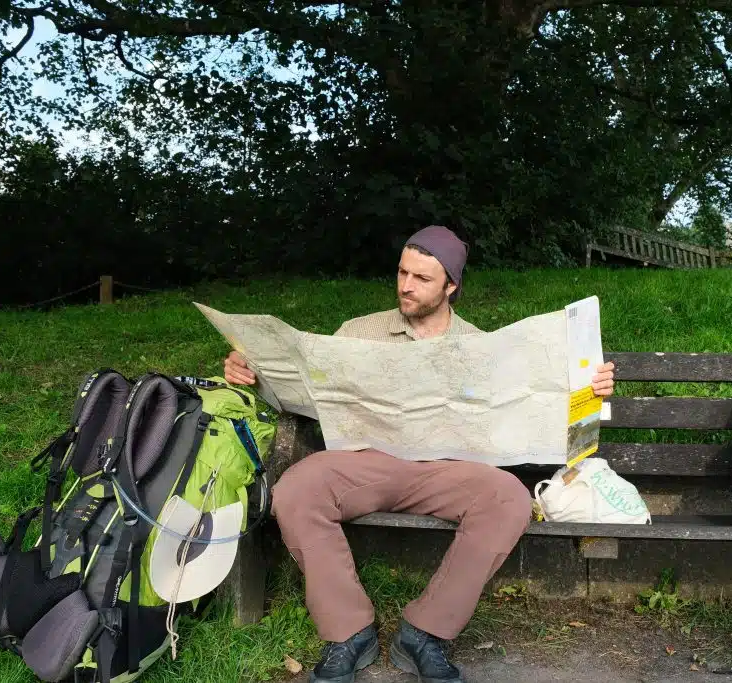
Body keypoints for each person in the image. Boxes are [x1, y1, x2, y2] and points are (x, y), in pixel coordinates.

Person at [223, 225, 616, 683]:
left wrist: (587, 390)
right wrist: (252, 375)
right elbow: (307, 395)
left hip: (445, 470)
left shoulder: (479, 347)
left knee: (508, 498)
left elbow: (528, 407)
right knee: (294, 491)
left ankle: (425, 633)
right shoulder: (358, 331)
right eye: (402, 272)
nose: (406, 286)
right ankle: (348, 632)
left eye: (422, 279)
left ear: (451, 286)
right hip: (365, 462)